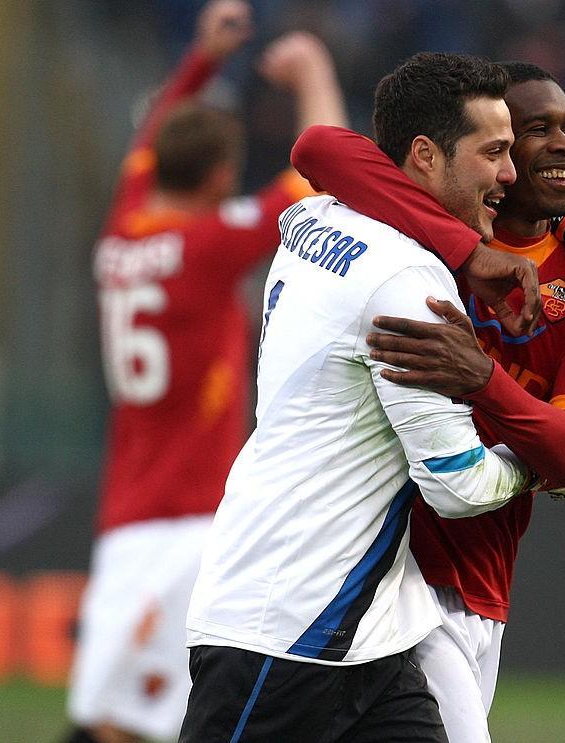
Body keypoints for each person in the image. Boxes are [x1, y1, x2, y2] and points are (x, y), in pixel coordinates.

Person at [178, 52, 538, 743]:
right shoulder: (408, 285)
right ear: (426, 156)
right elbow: (458, 484)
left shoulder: (313, 218)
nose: (510, 175)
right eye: (493, 152)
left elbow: (332, 154)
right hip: (283, 632)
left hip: (370, 639)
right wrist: (534, 457)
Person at [291, 61, 565, 742]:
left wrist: (483, 376)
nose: (562, 145)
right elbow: (316, 149)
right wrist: (468, 252)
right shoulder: (419, 231)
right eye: (526, 133)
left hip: (486, 583)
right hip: (395, 571)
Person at [64, 3, 351, 742]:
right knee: (184, 714)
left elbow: (151, 128)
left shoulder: (122, 225)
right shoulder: (206, 245)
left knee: (107, 716)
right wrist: (313, 72)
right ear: (221, 175)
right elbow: (322, 177)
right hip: (198, 516)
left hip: (126, 514)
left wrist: (200, 59)